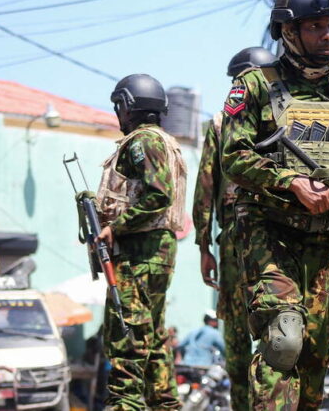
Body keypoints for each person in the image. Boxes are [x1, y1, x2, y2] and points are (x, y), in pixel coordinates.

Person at [220, 0, 329, 410]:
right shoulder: (255, 86)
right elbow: (233, 157)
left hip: (327, 238)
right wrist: (290, 182)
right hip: (268, 231)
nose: (328, 35)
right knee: (284, 340)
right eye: (316, 26)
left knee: (314, 356)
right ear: (288, 32)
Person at [86, 73, 188, 411]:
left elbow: (159, 195)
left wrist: (116, 228)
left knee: (126, 336)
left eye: (119, 107)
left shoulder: (143, 141)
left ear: (129, 106)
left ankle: (126, 405)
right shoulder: (166, 142)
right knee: (153, 338)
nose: (118, 114)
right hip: (156, 252)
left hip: (141, 253)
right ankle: (164, 404)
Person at [193, 45, 276, 411]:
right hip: (277, 243)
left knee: (241, 339)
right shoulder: (286, 118)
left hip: (237, 242)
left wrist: (203, 246)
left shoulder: (221, 122)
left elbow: (205, 187)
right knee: (277, 334)